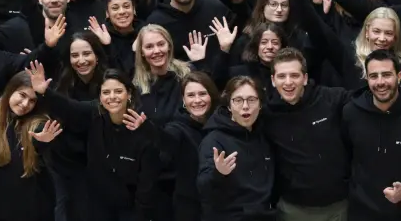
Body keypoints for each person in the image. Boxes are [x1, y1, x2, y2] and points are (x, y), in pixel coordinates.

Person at [39, 69, 159, 221]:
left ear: (129, 94)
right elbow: (69, 107)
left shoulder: (142, 127)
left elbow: (146, 187)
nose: (112, 97)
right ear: (100, 97)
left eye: (118, 91)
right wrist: (45, 92)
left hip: (130, 209)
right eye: (106, 92)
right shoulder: (94, 116)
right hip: (97, 206)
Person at [260, 48, 355, 221]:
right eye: (281, 76)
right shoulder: (266, 115)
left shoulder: (332, 99)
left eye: (294, 75)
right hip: (292, 209)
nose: (288, 82)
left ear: (304, 78)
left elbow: (369, 100)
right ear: (273, 80)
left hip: (338, 207)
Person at [342, 50, 401, 221]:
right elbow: (344, 160)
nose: (380, 82)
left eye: (386, 75)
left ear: (399, 77)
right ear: (367, 79)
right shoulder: (351, 113)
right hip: (360, 212)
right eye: (374, 76)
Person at [0, 71, 65, 220]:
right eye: (22, 95)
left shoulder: (38, 122)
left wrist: (43, 143)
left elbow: (42, 135)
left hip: (36, 212)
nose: (25, 104)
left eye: (32, 101)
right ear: (11, 90)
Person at [198, 76, 277, 220]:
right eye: (238, 100)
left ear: (260, 104)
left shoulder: (264, 134)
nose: (245, 106)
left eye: (251, 100)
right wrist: (218, 173)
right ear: (229, 105)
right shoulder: (214, 140)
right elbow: (203, 189)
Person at [163, 72, 218, 221]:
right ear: (183, 99)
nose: (197, 100)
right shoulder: (175, 128)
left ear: (211, 95)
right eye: (191, 95)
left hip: (220, 204)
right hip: (188, 206)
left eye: (202, 94)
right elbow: (165, 144)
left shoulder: (222, 124)